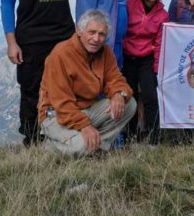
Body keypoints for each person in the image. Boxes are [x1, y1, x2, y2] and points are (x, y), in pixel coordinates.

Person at [1, 0, 77, 147]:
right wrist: (11, 42)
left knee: (66, 88)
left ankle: (65, 137)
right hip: (31, 38)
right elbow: (6, 3)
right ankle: (32, 140)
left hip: (64, 37)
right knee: (31, 91)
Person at [38, 9, 136, 156]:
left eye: (101, 34)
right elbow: (61, 102)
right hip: (56, 114)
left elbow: (115, 78)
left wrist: (119, 94)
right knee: (83, 146)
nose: (96, 39)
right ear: (79, 31)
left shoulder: (105, 52)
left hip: (87, 110)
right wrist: (84, 126)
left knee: (129, 104)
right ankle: (51, 145)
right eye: (92, 32)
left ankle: (97, 146)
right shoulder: (60, 54)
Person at [123, 0, 169, 144]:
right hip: (128, 56)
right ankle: (130, 135)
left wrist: (156, 68)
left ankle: (153, 137)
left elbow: (160, 43)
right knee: (130, 96)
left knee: (150, 97)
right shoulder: (130, 5)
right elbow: (122, 28)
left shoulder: (163, 14)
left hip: (147, 59)